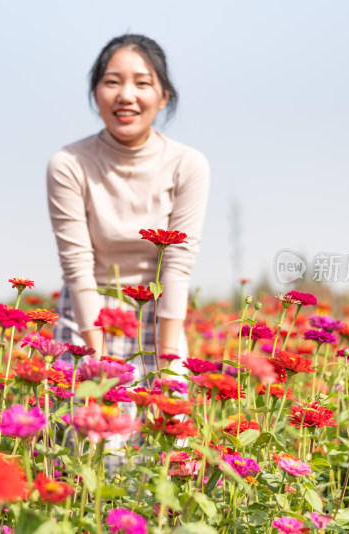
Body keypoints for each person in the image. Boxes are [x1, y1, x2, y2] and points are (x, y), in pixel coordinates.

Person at [47, 34, 210, 369]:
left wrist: (166, 368)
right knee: (82, 414)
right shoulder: (69, 163)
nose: (126, 96)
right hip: (86, 309)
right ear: (95, 92)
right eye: (112, 82)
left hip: (158, 313)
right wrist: (99, 364)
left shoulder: (188, 164)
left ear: (164, 96)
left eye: (142, 83)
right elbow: (77, 267)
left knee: (167, 415)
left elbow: (177, 265)